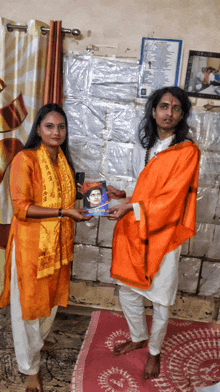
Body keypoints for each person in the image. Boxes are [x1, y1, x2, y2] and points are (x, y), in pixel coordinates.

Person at [108, 86, 200, 380]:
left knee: (160, 297)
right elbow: (143, 189)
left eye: (175, 108)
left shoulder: (186, 151)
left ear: (181, 115)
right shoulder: (144, 146)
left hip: (166, 233)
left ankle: (154, 352)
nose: (168, 112)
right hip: (138, 227)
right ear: (153, 110)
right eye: (163, 106)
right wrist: (123, 196)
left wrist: (131, 209)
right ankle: (138, 336)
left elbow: (172, 200)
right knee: (128, 289)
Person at [0, 103, 91, 392]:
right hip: (30, 248)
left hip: (57, 246)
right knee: (28, 309)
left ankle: (37, 342)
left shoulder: (62, 160)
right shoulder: (25, 159)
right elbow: (22, 209)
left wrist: (102, 192)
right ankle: (30, 369)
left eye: (61, 126)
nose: (56, 131)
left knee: (49, 302)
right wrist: (65, 213)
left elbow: (70, 192)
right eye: (50, 126)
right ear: (38, 128)